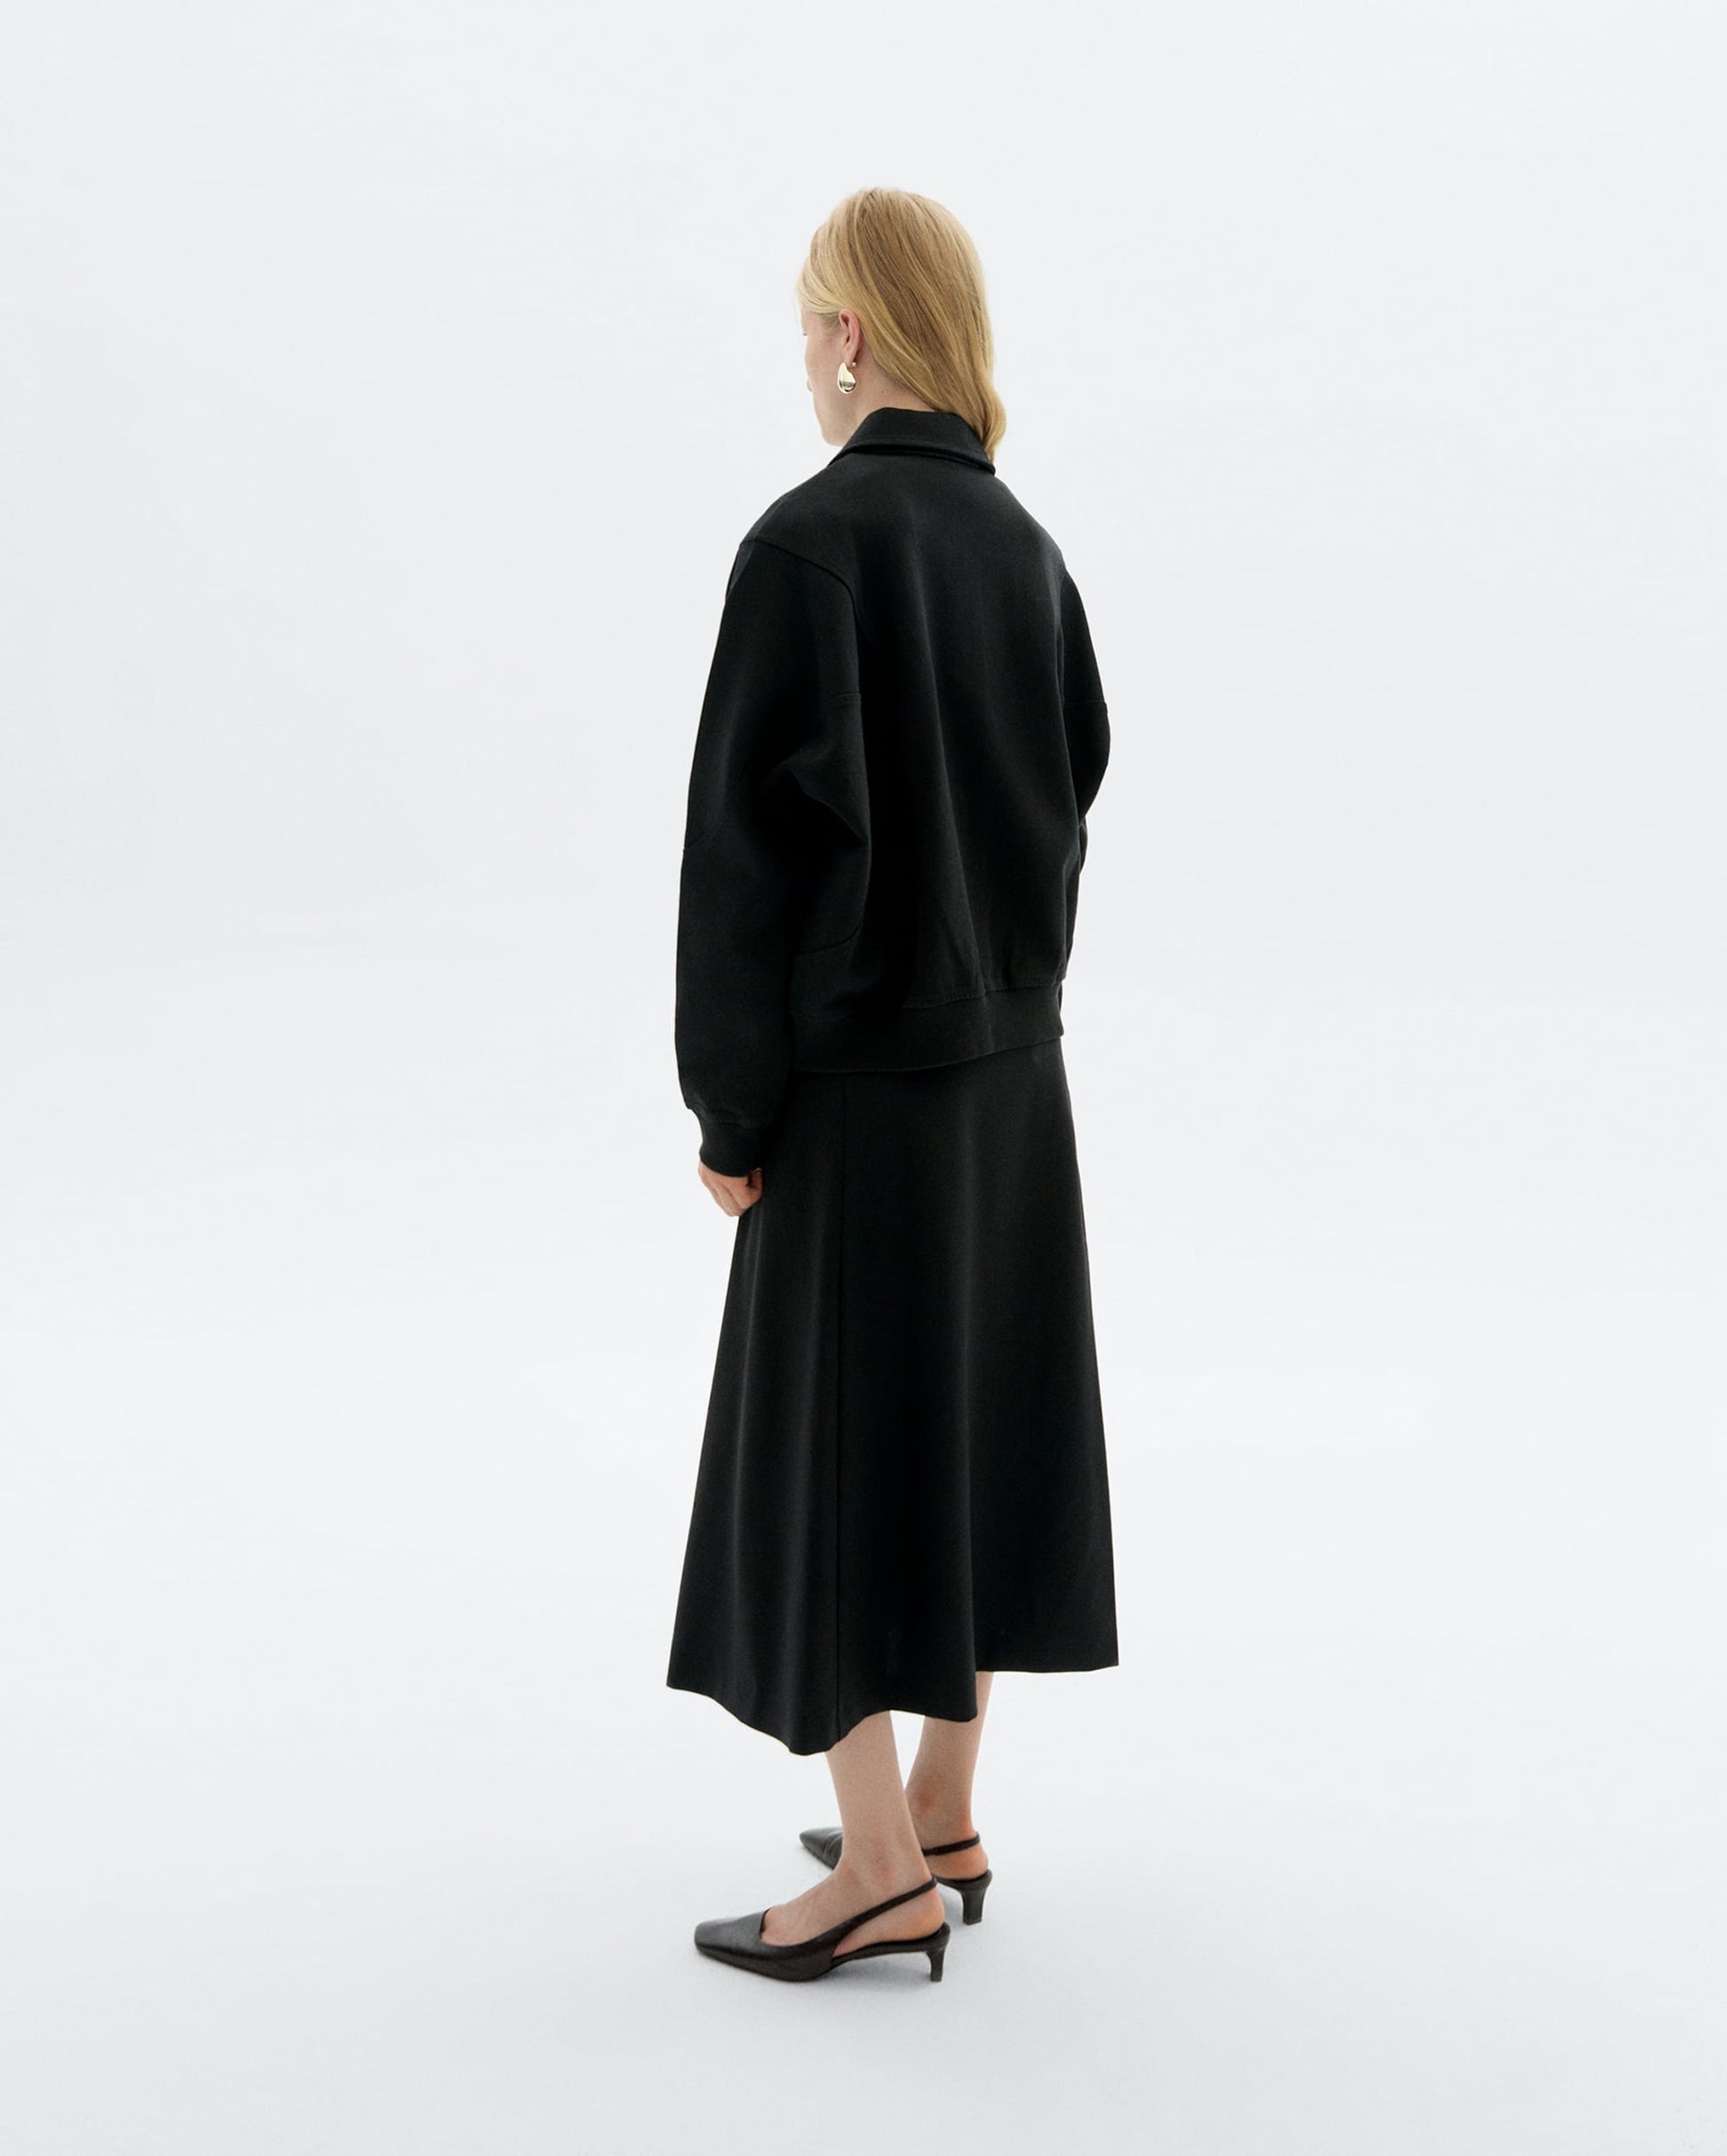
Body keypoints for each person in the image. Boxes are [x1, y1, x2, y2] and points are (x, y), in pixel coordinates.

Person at [667, 187, 1118, 1986]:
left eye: (806, 326)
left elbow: (740, 867)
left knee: (837, 1468)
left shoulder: (809, 546)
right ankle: (943, 1807)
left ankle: (874, 1873)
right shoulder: (1025, 549)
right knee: (973, 1430)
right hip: (1011, 1084)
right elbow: (1074, 793)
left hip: (857, 1093)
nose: (802, 359)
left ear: (849, 335)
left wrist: (730, 1112)